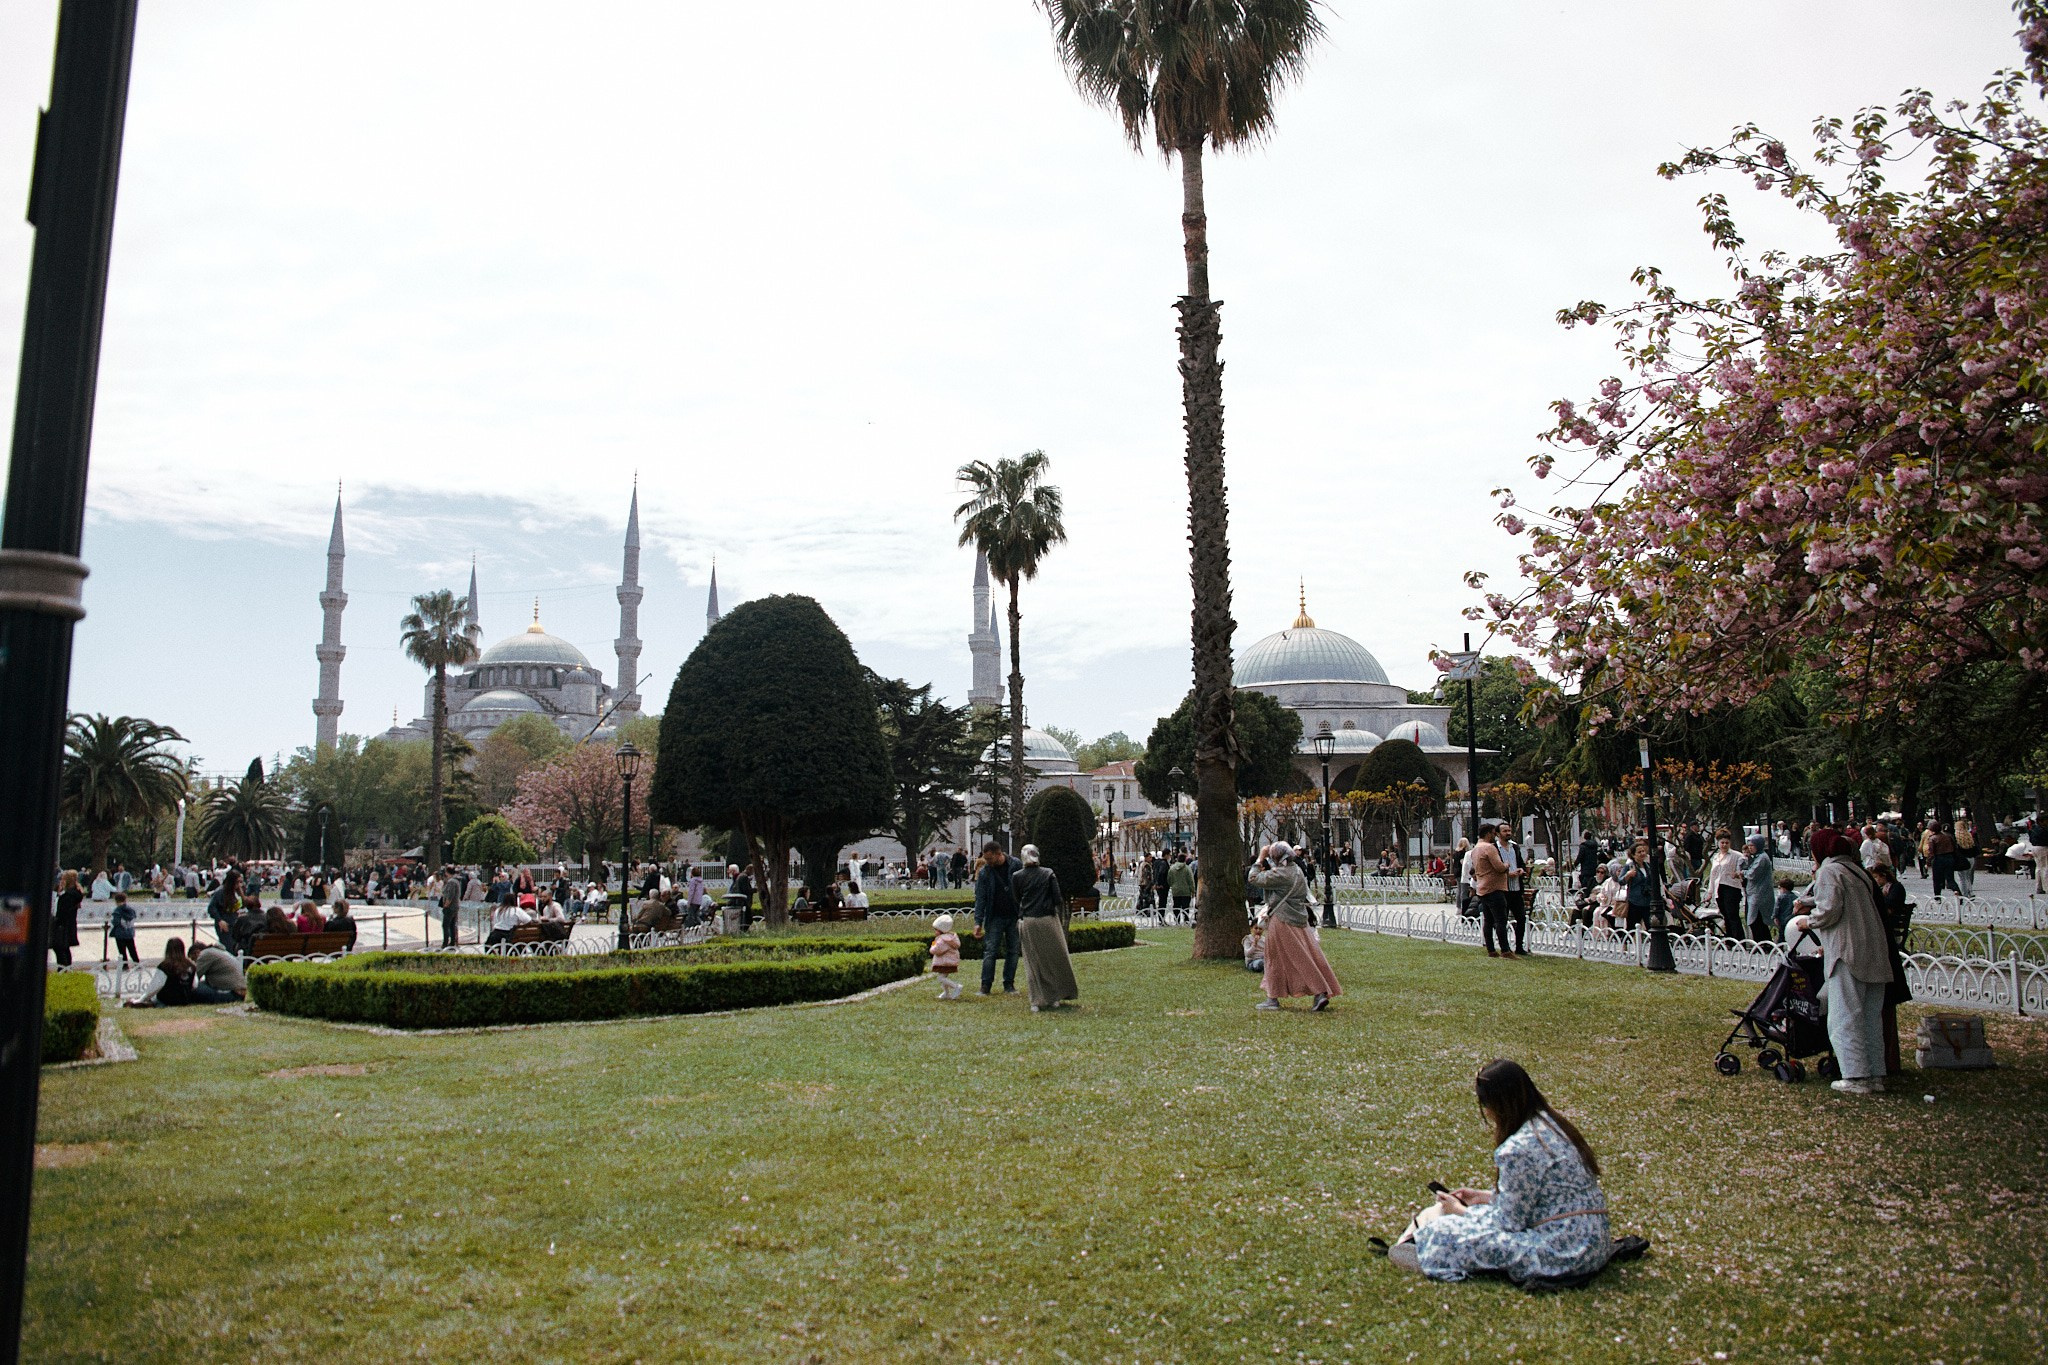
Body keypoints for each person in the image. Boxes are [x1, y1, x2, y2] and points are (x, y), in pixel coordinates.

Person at [1404, 1060, 1612, 1285]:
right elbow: (1535, 1198)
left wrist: (1461, 1211)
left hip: (1565, 1252)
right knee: (1467, 1220)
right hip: (1594, 1241)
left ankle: (1424, 1251)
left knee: (1444, 1231)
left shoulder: (1517, 1149)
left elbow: (1509, 1222)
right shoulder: (1554, 1125)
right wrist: (1484, 1198)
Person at [1788, 828, 1897, 1095]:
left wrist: (1807, 921)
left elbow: (1830, 911)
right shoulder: (1856, 870)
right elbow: (1841, 898)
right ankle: (1874, 1074)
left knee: (1844, 1016)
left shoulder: (1828, 871)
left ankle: (1855, 1076)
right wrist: (1811, 900)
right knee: (1871, 1018)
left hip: (1847, 951)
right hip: (1873, 950)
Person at [1252, 842, 1340, 1011]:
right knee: (1309, 954)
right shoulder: (1296, 871)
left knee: (1277, 958)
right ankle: (1279, 995)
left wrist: (1260, 858)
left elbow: (1253, 878)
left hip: (1282, 919)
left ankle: (1314, 992)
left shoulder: (1281, 875)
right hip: (1299, 918)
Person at [1013, 844, 1079, 1012]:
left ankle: (1036, 999)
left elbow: (1017, 898)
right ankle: (1056, 995)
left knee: (1033, 961)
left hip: (1028, 920)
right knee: (1056, 958)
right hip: (1048, 919)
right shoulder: (1048, 874)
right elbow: (1057, 898)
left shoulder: (1017, 876)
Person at [973, 843, 1021, 995]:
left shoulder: (1016, 865)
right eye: (985, 858)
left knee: (1013, 950)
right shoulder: (985, 872)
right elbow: (980, 898)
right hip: (995, 917)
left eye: (989, 858)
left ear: (998, 853)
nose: (987, 861)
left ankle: (1009, 984)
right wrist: (978, 922)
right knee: (990, 951)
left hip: (1015, 915)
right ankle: (985, 985)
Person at [1471, 824, 1512, 957]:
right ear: (1489, 833)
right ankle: (1505, 950)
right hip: (1494, 888)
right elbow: (1499, 867)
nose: (1495, 836)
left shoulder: (1475, 849)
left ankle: (1491, 949)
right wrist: (1506, 865)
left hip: (1482, 887)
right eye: (1494, 833)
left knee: (1488, 920)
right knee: (1500, 920)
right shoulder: (1489, 848)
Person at [125, 938, 201, 1008]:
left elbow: (155, 987)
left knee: (154, 999)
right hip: (185, 1001)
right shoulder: (191, 966)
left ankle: (148, 1003)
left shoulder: (165, 966)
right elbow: (195, 985)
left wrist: (140, 999)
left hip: (167, 1000)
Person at [1706, 830, 1745, 941]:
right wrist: (1710, 891)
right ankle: (1730, 938)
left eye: (1726, 843)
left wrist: (1737, 874)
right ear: (1718, 843)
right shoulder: (1716, 857)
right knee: (1725, 915)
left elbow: (1741, 870)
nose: (1724, 845)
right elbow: (1713, 875)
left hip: (1731, 887)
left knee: (1732, 914)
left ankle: (1739, 939)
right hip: (1719, 888)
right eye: (1722, 843)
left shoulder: (1736, 856)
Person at [1740, 833, 1776, 941]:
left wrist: (1742, 873)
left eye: (1752, 846)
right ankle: (1761, 943)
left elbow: (1752, 874)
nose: (1750, 848)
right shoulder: (1756, 857)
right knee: (1754, 920)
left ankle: (1764, 943)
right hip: (1754, 892)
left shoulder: (1762, 859)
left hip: (1760, 894)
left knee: (1757, 921)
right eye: (1749, 845)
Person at [1619, 839, 1656, 931]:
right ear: (1633, 855)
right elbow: (1621, 880)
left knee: (1651, 926)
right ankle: (1625, 944)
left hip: (1647, 901)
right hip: (1634, 901)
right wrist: (1628, 875)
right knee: (1631, 927)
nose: (1642, 853)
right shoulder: (1629, 866)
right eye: (1639, 852)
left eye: (1643, 851)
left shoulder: (1648, 866)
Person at [50, 870, 84, 969]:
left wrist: (56, 921)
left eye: (63, 879)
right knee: (64, 949)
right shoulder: (72, 894)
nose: (61, 881)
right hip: (67, 925)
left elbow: (63, 912)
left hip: (63, 926)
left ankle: (64, 970)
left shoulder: (68, 896)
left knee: (61, 949)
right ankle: (66, 969)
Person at [929, 913, 964, 1000]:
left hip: (945, 962)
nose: (935, 932)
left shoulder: (942, 940)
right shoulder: (950, 937)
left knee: (941, 978)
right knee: (943, 977)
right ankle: (946, 993)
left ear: (941, 930)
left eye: (936, 930)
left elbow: (936, 950)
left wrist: (932, 945)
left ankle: (956, 986)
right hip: (949, 961)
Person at [108, 890, 140, 963]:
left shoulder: (117, 911)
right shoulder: (131, 910)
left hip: (120, 934)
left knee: (122, 952)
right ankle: (137, 964)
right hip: (129, 933)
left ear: (116, 901)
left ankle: (124, 966)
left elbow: (116, 922)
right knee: (132, 950)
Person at [1167, 855, 1196, 925]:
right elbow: (1191, 880)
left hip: (1176, 890)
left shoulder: (1172, 868)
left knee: (1176, 906)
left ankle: (1177, 919)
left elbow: (1169, 879)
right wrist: (1193, 890)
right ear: (1185, 860)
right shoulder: (1187, 868)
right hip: (1186, 891)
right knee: (1185, 907)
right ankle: (1186, 920)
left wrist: (1173, 885)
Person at [438, 870, 463, 949]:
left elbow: (450, 895)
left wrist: (446, 905)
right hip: (455, 906)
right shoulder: (456, 881)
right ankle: (452, 941)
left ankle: (445, 942)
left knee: (445, 925)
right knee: (452, 925)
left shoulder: (451, 882)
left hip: (450, 907)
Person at [1773, 874, 1799, 940]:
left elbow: (1776, 908)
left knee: (1781, 936)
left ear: (1783, 889)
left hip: (1782, 920)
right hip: (1791, 919)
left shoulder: (1780, 898)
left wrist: (1774, 917)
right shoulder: (1795, 897)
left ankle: (1780, 948)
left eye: (1779, 888)